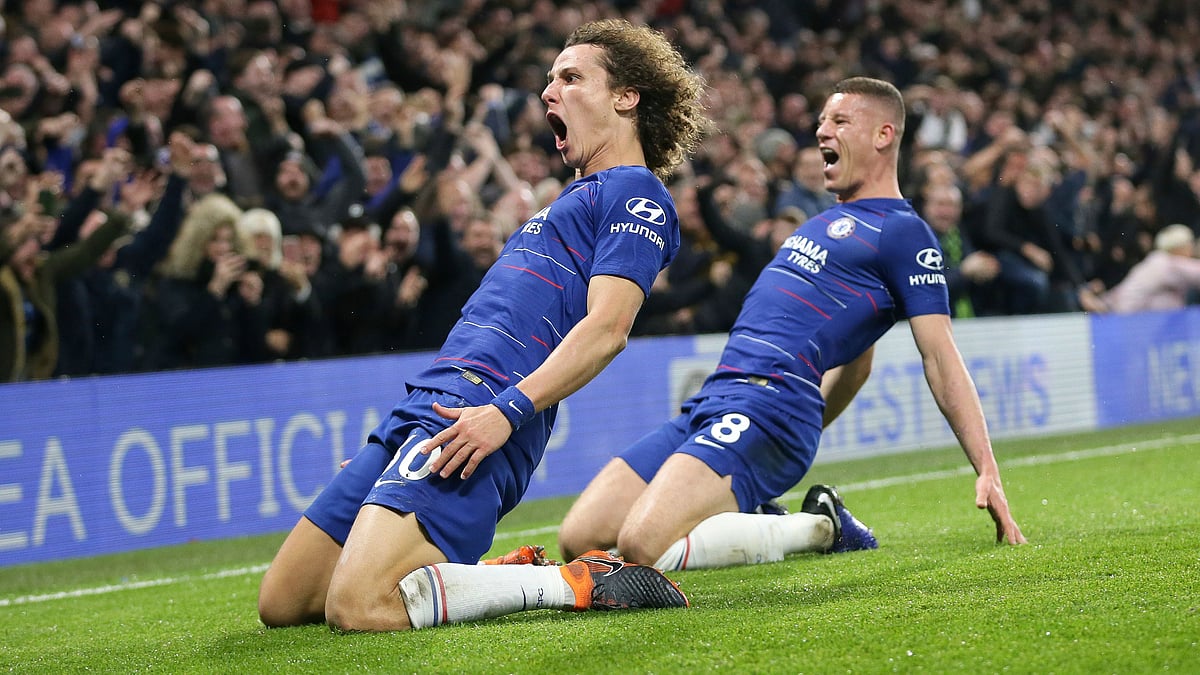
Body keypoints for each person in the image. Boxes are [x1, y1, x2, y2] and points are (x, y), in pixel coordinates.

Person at [257, 19, 709, 632]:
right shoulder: (569, 199)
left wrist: (505, 412)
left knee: (360, 607)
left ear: (626, 97)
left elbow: (608, 329)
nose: (549, 92)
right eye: (549, 79)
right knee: (285, 604)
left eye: (571, 78)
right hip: (430, 403)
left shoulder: (637, 195)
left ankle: (571, 582)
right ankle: (493, 568)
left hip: (487, 409)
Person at [557, 77, 1026, 574]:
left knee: (638, 547)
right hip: (716, 401)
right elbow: (858, 365)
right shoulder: (820, 221)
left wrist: (986, 468)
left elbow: (940, 355)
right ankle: (780, 511)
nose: (822, 130)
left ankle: (812, 530)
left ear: (883, 135)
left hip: (770, 407)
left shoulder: (905, 233)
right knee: (579, 538)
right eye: (822, 119)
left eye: (839, 121)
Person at [1077, 223, 1200, 314]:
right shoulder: (1167, 264)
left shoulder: (1153, 261)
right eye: (1189, 245)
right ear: (1178, 248)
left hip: (1125, 316)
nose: (1191, 251)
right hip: (1133, 321)